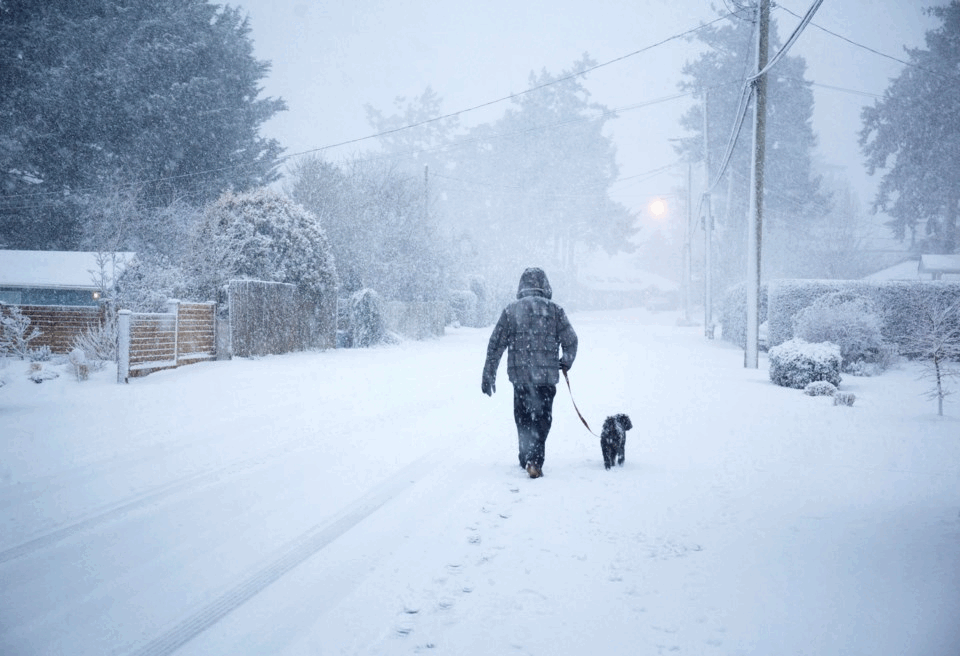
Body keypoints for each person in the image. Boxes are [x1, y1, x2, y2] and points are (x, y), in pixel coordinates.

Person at [481, 267, 578, 479]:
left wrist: (489, 373)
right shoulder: (555, 311)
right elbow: (571, 340)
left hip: (521, 377)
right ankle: (534, 459)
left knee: (522, 416)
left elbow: (495, 344)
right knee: (543, 418)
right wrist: (565, 362)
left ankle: (526, 455)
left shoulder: (511, 311)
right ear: (545, 285)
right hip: (545, 379)